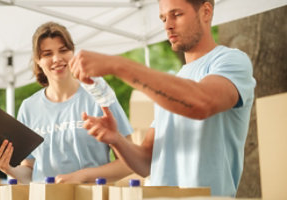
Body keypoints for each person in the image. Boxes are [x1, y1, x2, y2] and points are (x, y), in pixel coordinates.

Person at [69, 0, 256, 197]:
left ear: (206, 12)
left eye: (176, 14)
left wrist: (118, 65)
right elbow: (146, 163)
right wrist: (115, 139)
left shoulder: (231, 60)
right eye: (163, 18)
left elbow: (201, 103)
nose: (167, 25)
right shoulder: (173, 85)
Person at [0, 22, 133, 184]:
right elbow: (30, 172)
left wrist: (83, 176)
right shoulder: (28, 107)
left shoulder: (98, 94)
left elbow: (129, 163)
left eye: (63, 50)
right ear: (38, 60)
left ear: (73, 53)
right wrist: (9, 168)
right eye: (47, 54)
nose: (57, 59)